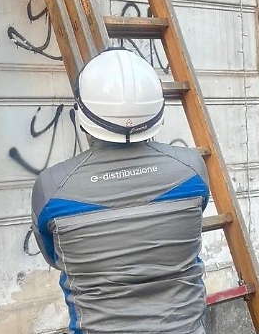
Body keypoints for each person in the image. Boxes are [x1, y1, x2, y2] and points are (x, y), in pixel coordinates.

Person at [31, 48, 209, 334]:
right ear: (158, 110)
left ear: (81, 113)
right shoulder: (192, 168)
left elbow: (55, 257)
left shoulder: (52, 187)